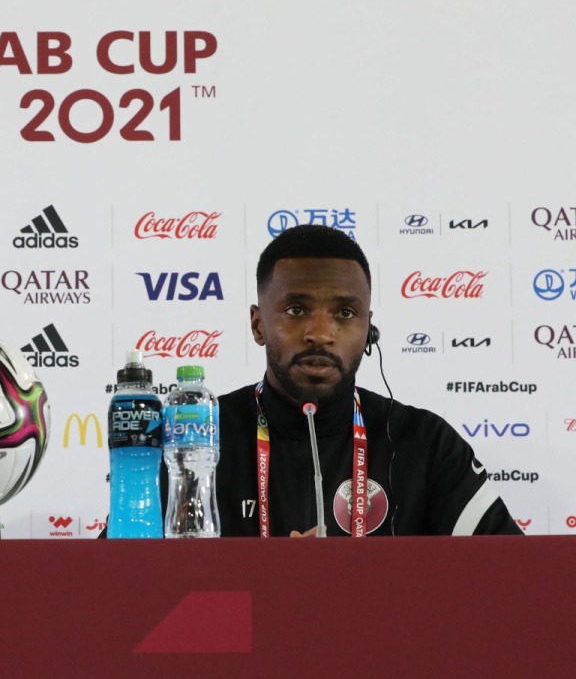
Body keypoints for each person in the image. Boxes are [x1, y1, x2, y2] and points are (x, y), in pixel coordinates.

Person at [215, 224, 521, 537]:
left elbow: (511, 572)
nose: (320, 334)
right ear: (258, 325)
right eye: (296, 309)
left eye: (345, 313)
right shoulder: (198, 437)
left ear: (369, 331)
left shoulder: (425, 442)